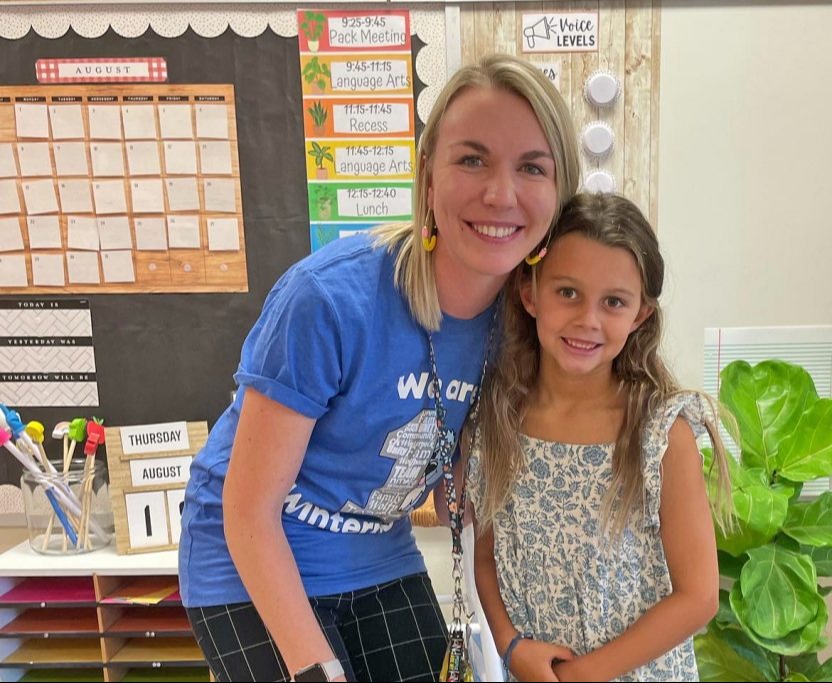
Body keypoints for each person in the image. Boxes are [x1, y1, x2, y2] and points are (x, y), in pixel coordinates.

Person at [178, 53, 581, 683]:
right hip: (247, 558)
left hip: (375, 555)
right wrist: (315, 670)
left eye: (532, 167)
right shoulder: (328, 299)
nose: (500, 193)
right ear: (427, 177)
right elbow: (248, 510)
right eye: (471, 159)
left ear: (559, 196)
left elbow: (461, 503)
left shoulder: (523, 328)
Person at [468, 192, 733, 682]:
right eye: (567, 292)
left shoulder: (660, 433)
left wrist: (581, 675)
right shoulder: (496, 422)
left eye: (613, 302)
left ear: (639, 317)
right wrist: (511, 645)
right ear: (530, 293)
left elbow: (698, 597)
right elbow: (486, 557)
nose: (587, 319)